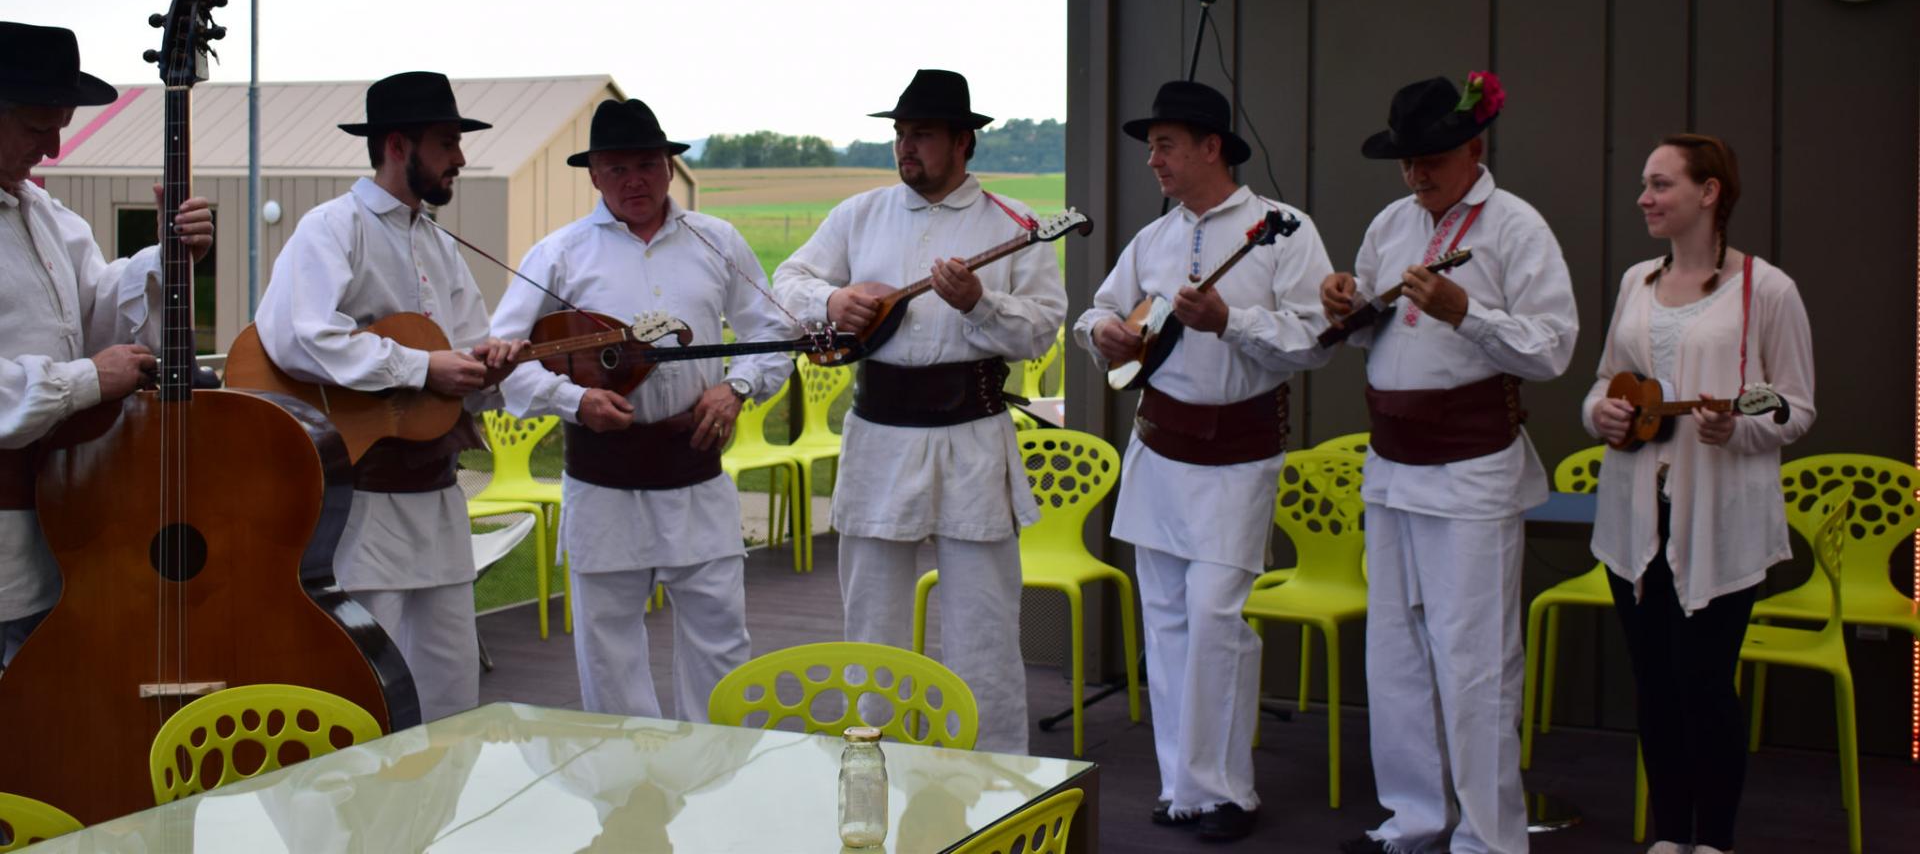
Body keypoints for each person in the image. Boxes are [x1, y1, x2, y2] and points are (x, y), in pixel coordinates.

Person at [773, 69, 1065, 754]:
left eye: (923, 134)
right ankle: (873, 762)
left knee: (983, 626)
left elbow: (1041, 329)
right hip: (879, 434)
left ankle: (995, 778)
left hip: (973, 435)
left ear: (964, 142)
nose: (906, 147)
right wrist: (831, 301)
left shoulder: (1014, 224)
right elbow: (786, 282)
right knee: (872, 623)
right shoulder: (859, 215)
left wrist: (979, 303)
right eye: (901, 134)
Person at [1322, 72, 1578, 854]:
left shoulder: (1515, 227)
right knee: (1395, 652)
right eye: (1406, 160)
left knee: (1474, 660)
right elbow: (1377, 329)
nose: (1416, 173)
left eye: (1430, 158)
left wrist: (1468, 313)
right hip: (1393, 461)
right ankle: (1414, 818)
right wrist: (1345, 306)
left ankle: (1488, 837)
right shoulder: (1391, 223)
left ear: (1475, 146)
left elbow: (1553, 349)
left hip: (1471, 467)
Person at [1075, 80, 1333, 844]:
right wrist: (1103, 334)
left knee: (1217, 617)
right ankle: (1182, 788)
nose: (1152, 160)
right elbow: (1099, 308)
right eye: (1151, 146)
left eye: (1165, 145)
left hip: (1239, 453)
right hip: (1159, 449)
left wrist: (1232, 321)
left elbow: (1316, 339)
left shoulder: (1283, 231)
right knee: (1166, 622)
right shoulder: (1153, 239)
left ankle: (1228, 792)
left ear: (1211, 147)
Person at [493, 97, 794, 720]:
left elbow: (772, 334)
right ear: (594, 175)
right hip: (603, 483)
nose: (635, 180)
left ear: (668, 166)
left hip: (695, 471)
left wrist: (737, 387)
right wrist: (576, 400)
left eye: (647, 165)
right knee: (609, 649)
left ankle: (717, 766)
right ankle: (624, 772)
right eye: (617, 168)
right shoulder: (559, 254)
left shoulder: (717, 241)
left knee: (720, 640)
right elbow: (507, 361)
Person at [252, 71, 524, 722]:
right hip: (362, 508)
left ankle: (442, 793)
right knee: (369, 691)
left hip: (440, 500)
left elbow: (467, 348)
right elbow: (299, 336)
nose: (460, 157)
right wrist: (421, 367)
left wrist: (489, 370)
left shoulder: (438, 242)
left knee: (452, 691)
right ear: (398, 145)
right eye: (446, 142)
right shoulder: (331, 227)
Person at [1583, 135, 1814, 854]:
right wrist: (1600, 414)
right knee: (1654, 684)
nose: (1644, 198)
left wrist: (1738, 430)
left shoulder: (1767, 290)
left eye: (1661, 184)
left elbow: (1796, 406)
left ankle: (1714, 841)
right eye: (1645, 185)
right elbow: (1604, 381)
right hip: (1634, 520)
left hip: (1718, 523)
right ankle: (1669, 836)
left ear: (1709, 192)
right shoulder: (1635, 282)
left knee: (1704, 685)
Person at [0, 22, 214, 669]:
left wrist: (167, 257)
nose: (54, 148)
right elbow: (91, 364)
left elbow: (96, 320)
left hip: (63, 523)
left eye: (61, 126)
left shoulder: (49, 218)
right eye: (38, 127)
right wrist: (86, 380)